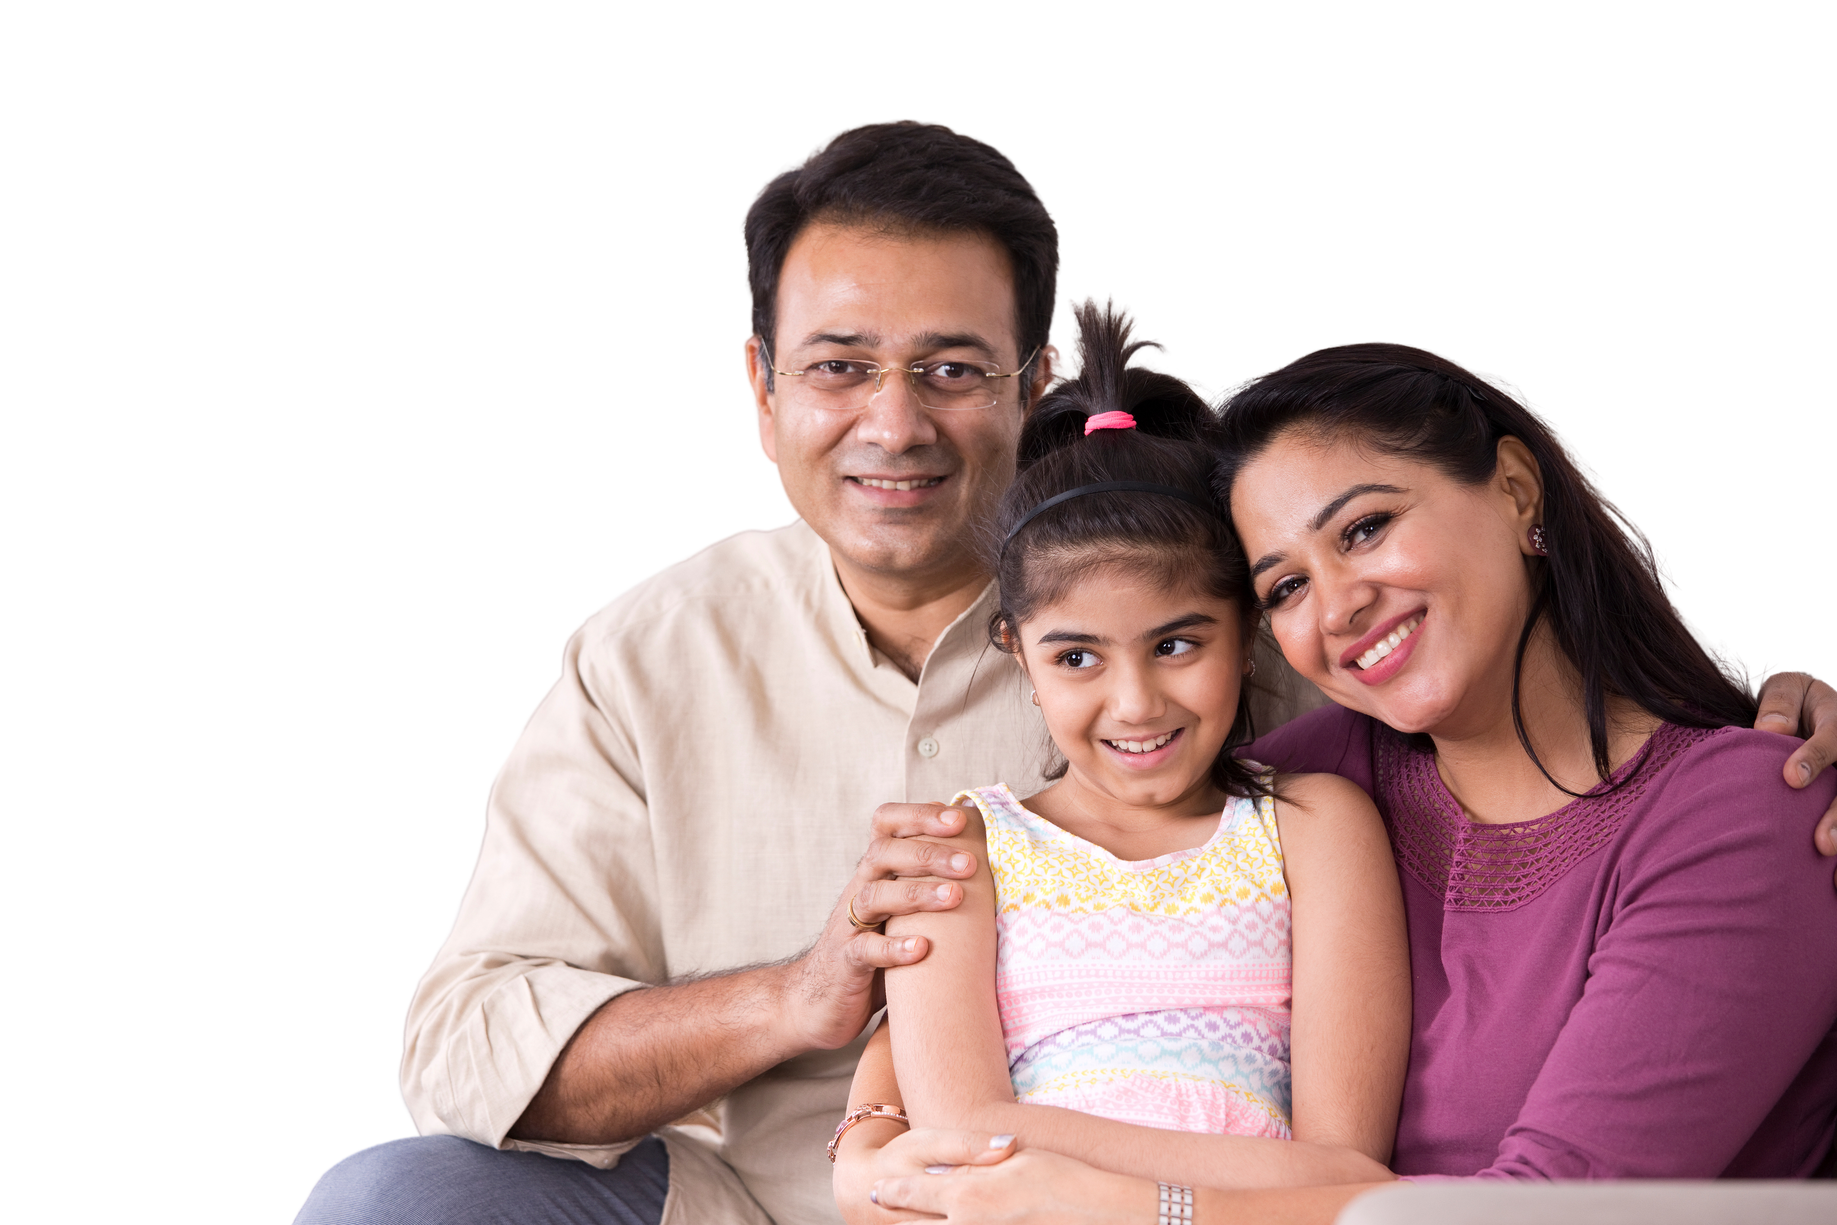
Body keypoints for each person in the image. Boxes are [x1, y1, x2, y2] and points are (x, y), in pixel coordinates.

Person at [294, 118, 1837, 1225]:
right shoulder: (647, 651)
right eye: (837, 367)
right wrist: (803, 1001)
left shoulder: (1262, 664)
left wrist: (1752, 713)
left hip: (1186, 1192)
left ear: (1034, 385)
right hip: (743, 1196)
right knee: (394, 1196)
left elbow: (1474, 667)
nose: (893, 424)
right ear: (760, 389)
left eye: (951, 369)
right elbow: (459, 1044)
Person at [853, 341, 1837, 1223]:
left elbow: (1550, 1210)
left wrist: (1138, 1208)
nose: (1338, 607)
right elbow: (1059, 960)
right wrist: (873, 1140)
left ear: (1516, 491)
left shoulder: (1748, 808)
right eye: (1285, 585)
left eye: (1364, 528)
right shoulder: (1316, 773)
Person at [830, 295, 1414, 1218]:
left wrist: (1098, 1186)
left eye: (1176, 644)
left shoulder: (1314, 826)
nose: (1135, 702)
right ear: (1017, 653)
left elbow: (1346, 1169)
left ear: (1246, 631)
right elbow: (958, 1129)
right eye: (1076, 657)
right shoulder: (960, 851)